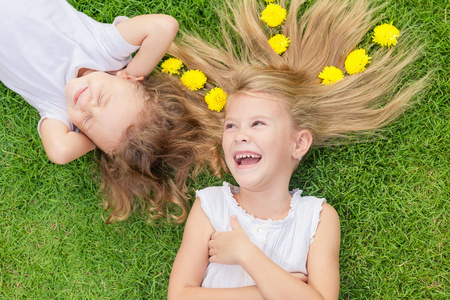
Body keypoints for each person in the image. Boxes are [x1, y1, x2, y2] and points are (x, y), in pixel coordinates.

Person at [167, 0, 427, 298]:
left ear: (298, 143)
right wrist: (272, 289)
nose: (239, 135)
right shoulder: (212, 206)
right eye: (231, 125)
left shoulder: (317, 218)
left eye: (258, 124)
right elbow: (180, 295)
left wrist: (246, 254)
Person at [0, 0, 224, 223]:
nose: (86, 103)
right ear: (126, 78)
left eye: (87, 120)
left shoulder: (58, 105)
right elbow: (164, 26)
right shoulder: (104, 50)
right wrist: (135, 71)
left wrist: (102, 139)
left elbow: (59, 152)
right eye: (102, 98)